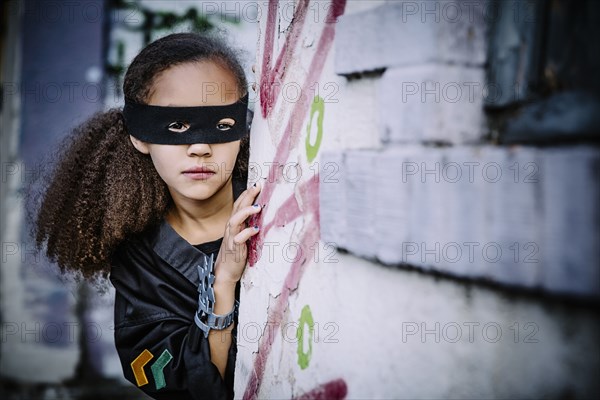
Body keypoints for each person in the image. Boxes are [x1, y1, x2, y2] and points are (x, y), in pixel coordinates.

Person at [34, 32, 261, 399]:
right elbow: (177, 383)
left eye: (221, 126)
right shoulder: (140, 258)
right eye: (176, 126)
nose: (200, 148)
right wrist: (222, 285)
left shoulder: (279, 209)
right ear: (140, 135)